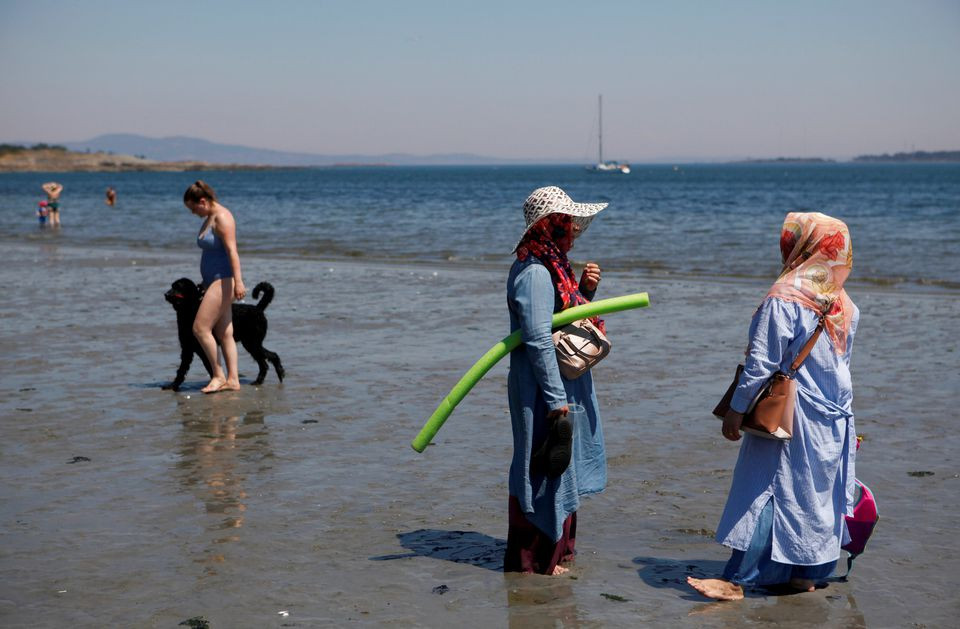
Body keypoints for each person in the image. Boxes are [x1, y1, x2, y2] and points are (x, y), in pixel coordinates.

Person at [688, 212, 859, 600]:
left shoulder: (785, 296)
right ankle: (805, 573)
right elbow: (841, 365)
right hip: (833, 414)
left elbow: (762, 362)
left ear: (801, 246)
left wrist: (737, 409)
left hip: (792, 411)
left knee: (766, 490)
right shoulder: (842, 301)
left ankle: (738, 579)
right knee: (815, 495)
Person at [504, 186, 609, 576]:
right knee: (543, 464)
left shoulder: (554, 265)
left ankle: (559, 552)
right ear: (551, 225)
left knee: (564, 464)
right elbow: (536, 338)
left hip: (561, 382)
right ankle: (535, 561)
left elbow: (562, 322)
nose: (575, 230)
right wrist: (553, 399)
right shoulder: (534, 271)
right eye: (568, 222)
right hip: (542, 386)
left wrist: (586, 291)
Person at [183, 180, 246, 393]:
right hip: (212, 282)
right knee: (224, 332)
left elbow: (232, 251)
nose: (193, 213)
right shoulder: (210, 216)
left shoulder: (223, 217)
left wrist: (239, 282)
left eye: (193, 208)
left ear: (203, 201)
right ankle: (233, 380)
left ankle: (218, 376)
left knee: (200, 329)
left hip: (224, 280)